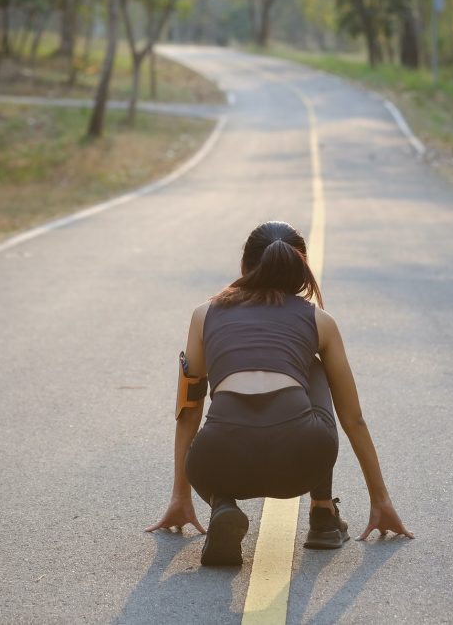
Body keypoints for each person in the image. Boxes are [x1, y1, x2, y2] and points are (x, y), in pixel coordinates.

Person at [146, 221, 413, 566]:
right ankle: (323, 515)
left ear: (244, 266)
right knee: (314, 366)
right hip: (302, 461)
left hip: (216, 461)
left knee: (225, 417)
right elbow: (353, 419)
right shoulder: (320, 321)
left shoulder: (204, 314)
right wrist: (381, 501)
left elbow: (189, 408)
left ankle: (222, 505)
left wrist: (181, 496)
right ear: (299, 271)